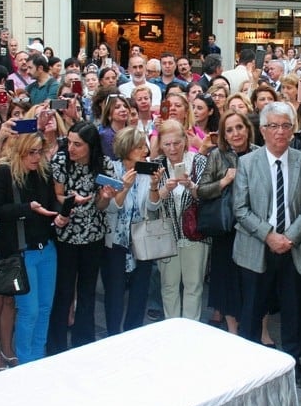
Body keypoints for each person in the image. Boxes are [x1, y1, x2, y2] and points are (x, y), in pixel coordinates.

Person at [233, 101, 301, 385]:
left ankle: (293, 362)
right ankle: (248, 364)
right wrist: (269, 235)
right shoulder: (247, 162)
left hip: (294, 247)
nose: (280, 132)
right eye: (274, 126)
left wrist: (290, 237)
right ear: (262, 131)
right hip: (257, 247)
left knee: (294, 310)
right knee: (252, 310)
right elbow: (240, 208)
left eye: (286, 126)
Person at [0, 132, 65, 365]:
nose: (36, 157)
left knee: (44, 308)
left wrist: (58, 217)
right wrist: (26, 208)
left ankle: (38, 357)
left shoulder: (43, 172)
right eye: (31, 152)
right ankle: (26, 360)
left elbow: (50, 206)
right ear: (19, 151)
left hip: (46, 248)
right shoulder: (4, 172)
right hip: (22, 251)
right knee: (29, 311)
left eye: (39, 152)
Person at [48, 121, 113, 352]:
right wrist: (69, 200)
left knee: (87, 291)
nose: (71, 148)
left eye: (78, 144)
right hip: (65, 234)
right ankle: (55, 345)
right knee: (63, 291)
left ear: (90, 146)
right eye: (69, 142)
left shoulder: (103, 165)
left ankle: (83, 341)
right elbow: (56, 194)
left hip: (93, 234)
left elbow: (102, 205)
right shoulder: (60, 161)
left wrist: (104, 196)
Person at [197, 111, 258, 334]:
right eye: (229, 130)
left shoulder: (259, 154)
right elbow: (201, 191)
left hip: (254, 227)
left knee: (251, 279)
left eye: (239, 127)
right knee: (227, 277)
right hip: (227, 227)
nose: (235, 133)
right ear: (223, 134)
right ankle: (232, 328)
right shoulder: (217, 155)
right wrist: (224, 180)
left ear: (247, 129)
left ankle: (254, 325)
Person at [101, 127, 158, 335]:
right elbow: (109, 208)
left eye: (145, 145)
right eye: (140, 146)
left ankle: (133, 333)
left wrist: (154, 187)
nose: (145, 150)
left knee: (140, 292)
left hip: (142, 239)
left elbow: (153, 208)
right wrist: (124, 188)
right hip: (115, 240)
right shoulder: (111, 169)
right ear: (127, 149)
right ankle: (113, 335)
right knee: (114, 293)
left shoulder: (149, 170)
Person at [150, 119, 209, 320]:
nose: (172, 148)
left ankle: (191, 332)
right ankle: (172, 329)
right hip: (166, 235)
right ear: (160, 145)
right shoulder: (156, 166)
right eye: (167, 144)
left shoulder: (199, 161)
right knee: (169, 286)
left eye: (177, 142)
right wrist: (164, 189)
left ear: (185, 140)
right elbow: (150, 205)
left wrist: (191, 186)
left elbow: (206, 197)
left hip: (195, 234)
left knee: (194, 286)